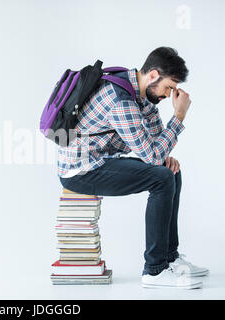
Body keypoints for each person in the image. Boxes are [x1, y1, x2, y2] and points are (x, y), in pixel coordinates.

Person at [58, 47, 209, 289]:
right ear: (154, 75)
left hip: (99, 160)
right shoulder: (121, 100)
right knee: (161, 178)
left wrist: (165, 156)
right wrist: (179, 116)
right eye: (168, 87)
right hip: (81, 170)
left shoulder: (138, 91)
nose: (168, 95)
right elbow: (151, 154)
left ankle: (170, 258)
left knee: (171, 173)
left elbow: (158, 139)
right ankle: (155, 271)